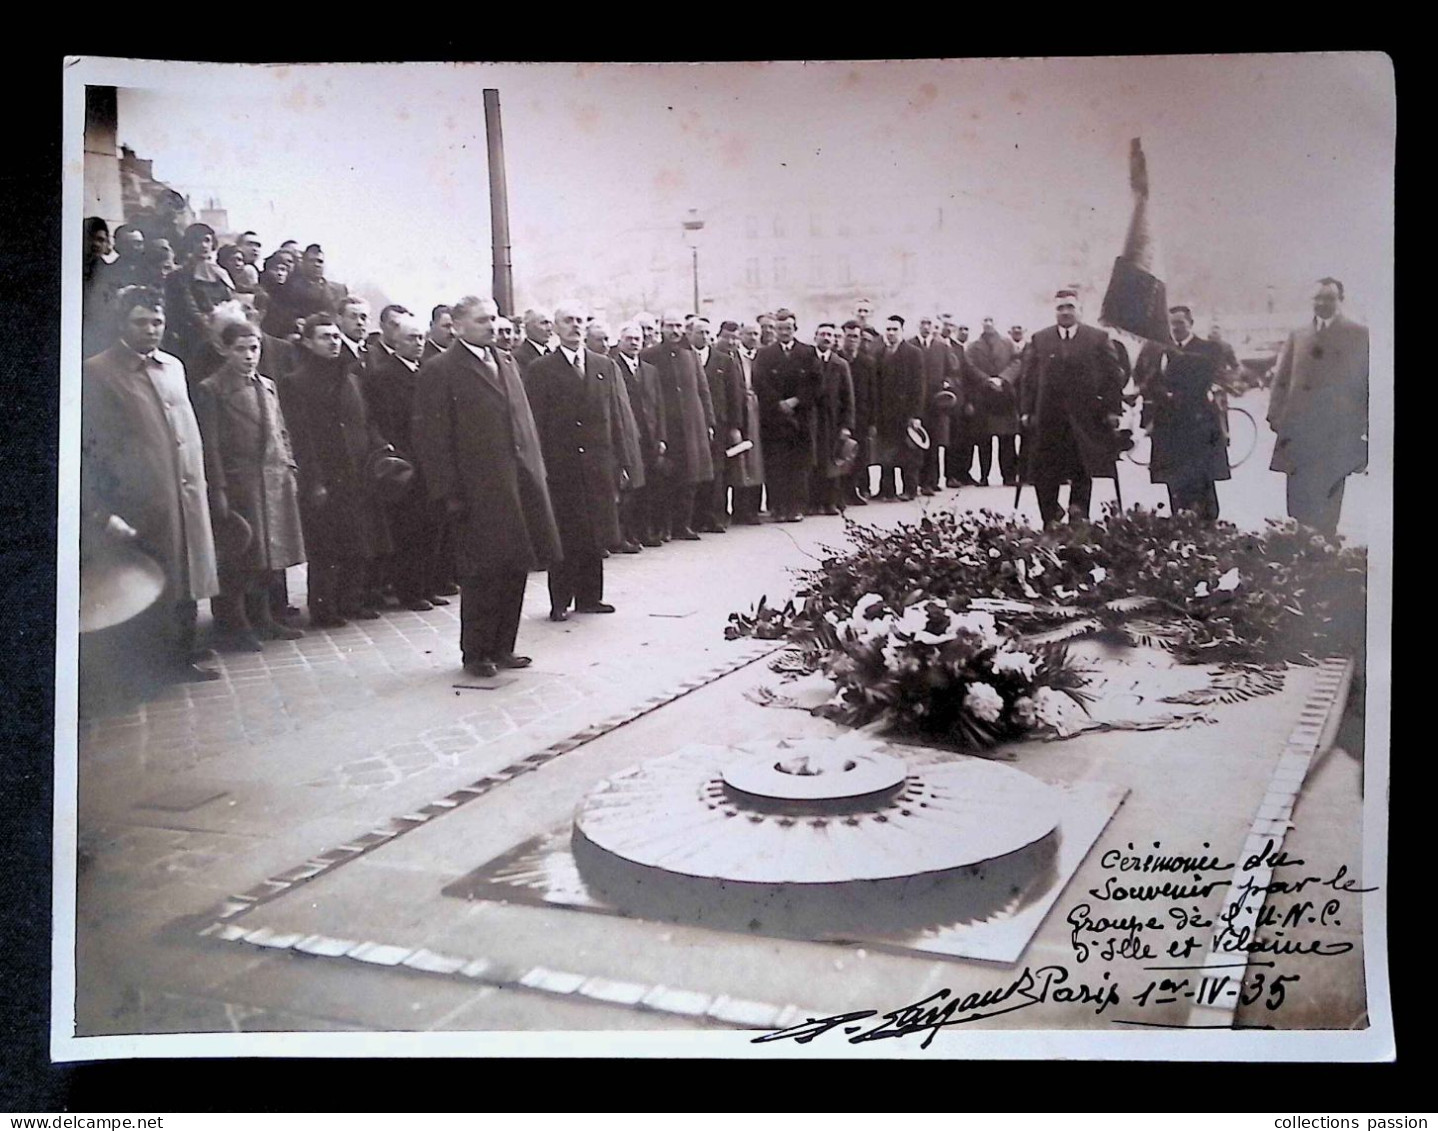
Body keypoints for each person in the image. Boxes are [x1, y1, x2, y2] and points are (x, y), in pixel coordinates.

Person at [411, 296, 561, 678]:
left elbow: (522, 423)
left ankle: (504, 647)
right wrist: (449, 492)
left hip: (518, 483)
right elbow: (432, 437)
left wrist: (535, 473)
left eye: (493, 319)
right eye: (481, 321)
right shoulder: (440, 369)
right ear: (457, 326)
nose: (491, 327)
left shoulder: (506, 361)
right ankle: (476, 652)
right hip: (477, 490)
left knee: (516, 566)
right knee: (481, 573)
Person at [81, 286, 220, 683]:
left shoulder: (173, 366)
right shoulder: (99, 371)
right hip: (141, 497)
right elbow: (95, 445)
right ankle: (152, 665)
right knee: (151, 578)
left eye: (157, 321)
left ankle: (184, 653)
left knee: (190, 573)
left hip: (187, 491)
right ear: (123, 323)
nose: (151, 329)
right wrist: (105, 506)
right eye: (141, 321)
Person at [193, 320, 307, 651]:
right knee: (241, 556)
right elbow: (210, 444)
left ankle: (264, 617)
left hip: (273, 479)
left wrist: (290, 466)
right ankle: (233, 623)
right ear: (225, 350)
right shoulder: (212, 388)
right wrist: (220, 489)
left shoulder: (267, 386)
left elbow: (281, 431)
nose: (248, 356)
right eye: (240, 349)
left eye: (253, 348)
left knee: (269, 556)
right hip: (240, 481)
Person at [279, 313, 391, 627]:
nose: (333, 342)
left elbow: (365, 420)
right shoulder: (296, 381)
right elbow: (301, 435)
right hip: (326, 474)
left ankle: (351, 601)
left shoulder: (351, 378)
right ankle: (324, 607)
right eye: (325, 337)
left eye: (335, 336)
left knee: (358, 540)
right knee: (326, 546)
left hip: (357, 471)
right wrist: (314, 480)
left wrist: (380, 447)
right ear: (308, 342)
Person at [526, 303, 633, 620]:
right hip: (562, 465)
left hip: (598, 462)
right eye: (568, 322)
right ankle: (560, 600)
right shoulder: (541, 369)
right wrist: (541, 467)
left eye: (580, 321)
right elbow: (536, 423)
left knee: (595, 531)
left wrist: (621, 460)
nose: (575, 327)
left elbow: (614, 416)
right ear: (556, 328)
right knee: (565, 533)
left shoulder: (603, 365)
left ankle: (590, 597)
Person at [1267, 277, 1369, 536]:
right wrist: (1276, 416)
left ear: (1340, 301)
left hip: (1335, 433)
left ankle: (1324, 556)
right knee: (1297, 500)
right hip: (1298, 432)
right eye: (1318, 298)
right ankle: (1297, 551)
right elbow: (1282, 377)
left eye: (1329, 298)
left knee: (1328, 501)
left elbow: (1365, 383)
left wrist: (1362, 426)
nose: (1322, 303)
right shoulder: (1298, 334)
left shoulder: (1357, 333)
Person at [1019, 290, 1125, 525]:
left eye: (1070, 307)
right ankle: (1050, 519)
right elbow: (1028, 378)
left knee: (1082, 469)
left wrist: (1113, 410)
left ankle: (1078, 519)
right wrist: (1026, 410)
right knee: (1045, 472)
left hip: (1085, 416)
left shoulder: (1097, 338)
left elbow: (1112, 377)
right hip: (1048, 417)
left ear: (1080, 310)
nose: (1065, 312)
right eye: (1060, 308)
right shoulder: (1040, 339)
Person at [1133, 305, 1231, 521]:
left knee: (1202, 482)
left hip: (1199, 426)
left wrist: (1213, 395)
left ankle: (1209, 529)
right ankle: (1181, 528)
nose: (1175, 328)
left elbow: (1219, 379)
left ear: (1191, 324)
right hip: (1167, 426)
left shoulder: (1208, 349)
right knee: (1173, 482)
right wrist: (1151, 397)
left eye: (1180, 323)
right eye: (1171, 324)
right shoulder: (1156, 349)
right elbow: (1142, 377)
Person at [641, 310, 716, 540]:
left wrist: (709, 421)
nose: (674, 331)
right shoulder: (650, 355)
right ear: (661, 328)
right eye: (669, 326)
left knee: (690, 477)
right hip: (666, 423)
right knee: (665, 478)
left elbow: (703, 389)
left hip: (692, 424)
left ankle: (683, 524)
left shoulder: (689, 354)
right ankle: (664, 526)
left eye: (678, 326)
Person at [753, 308, 820, 522]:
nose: (784, 332)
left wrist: (795, 401)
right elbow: (760, 382)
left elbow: (816, 382)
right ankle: (778, 508)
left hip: (800, 418)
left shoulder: (808, 352)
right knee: (776, 465)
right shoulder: (765, 354)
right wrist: (777, 403)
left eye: (788, 328)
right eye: (780, 328)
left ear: (795, 329)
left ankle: (796, 507)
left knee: (799, 465)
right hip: (774, 419)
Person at [612, 322, 666, 546]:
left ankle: (646, 531)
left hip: (650, 436)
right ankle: (626, 534)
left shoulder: (650, 370)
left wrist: (662, 437)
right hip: (628, 434)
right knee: (630, 488)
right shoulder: (612, 367)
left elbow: (659, 405)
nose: (634, 343)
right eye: (629, 339)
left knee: (650, 486)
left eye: (638, 339)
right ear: (620, 341)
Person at [163, 223, 236, 383]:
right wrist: (211, 332)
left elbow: (230, 301)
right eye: (197, 241)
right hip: (193, 338)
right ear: (189, 244)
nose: (203, 245)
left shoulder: (220, 274)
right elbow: (190, 308)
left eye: (207, 240)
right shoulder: (178, 276)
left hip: (224, 334)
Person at [688, 316, 743, 532]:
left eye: (706, 333)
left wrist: (735, 426)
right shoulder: (685, 358)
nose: (704, 336)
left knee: (717, 472)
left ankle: (715, 517)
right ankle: (694, 518)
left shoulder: (723, 361)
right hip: (694, 424)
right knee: (696, 471)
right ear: (690, 334)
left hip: (719, 423)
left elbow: (734, 396)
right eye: (699, 332)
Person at [873, 315, 925, 501]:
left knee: (907, 453)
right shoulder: (879, 352)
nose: (891, 333)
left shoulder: (913, 353)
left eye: (895, 329)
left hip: (905, 412)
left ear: (902, 331)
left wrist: (915, 415)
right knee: (886, 453)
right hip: (884, 413)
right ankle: (886, 489)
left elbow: (919, 386)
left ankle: (910, 489)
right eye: (888, 329)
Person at [965, 316, 1021, 486]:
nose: (988, 324)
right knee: (984, 440)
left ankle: (1009, 476)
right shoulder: (973, 347)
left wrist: (1003, 378)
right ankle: (984, 476)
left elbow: (1017, 362)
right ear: (981, 324)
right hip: (984, 396)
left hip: (1005, 396)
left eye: (991, 320)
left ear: (996, 323)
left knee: (1007, 440)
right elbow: (969, 367)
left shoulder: (1008, 343)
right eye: (985, 321)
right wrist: (987, 380)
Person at [909, 314, 959, 495]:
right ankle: (915, 482)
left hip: (936, 403)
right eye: (923, 323)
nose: (926, 326)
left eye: (929, 323)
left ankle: (931, 481)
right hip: (916, 401)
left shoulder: (942, 347)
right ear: (918, 325)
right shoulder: (910, 345)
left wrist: (947, 382)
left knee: (935, 443)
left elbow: (953, 371)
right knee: (915, 443)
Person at [812, 322, 856, 515]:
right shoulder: (807, 360)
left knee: (832, 461)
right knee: (813, 460)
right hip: (811, 419)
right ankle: (813, 502)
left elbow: (848, 398)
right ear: (816, 337)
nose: (826, 338)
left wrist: (847, 425)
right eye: (822, 334)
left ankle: (830, 501)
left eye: (830, 335)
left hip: (833, 420)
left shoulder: (840, 364)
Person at [729, 322, 766, 524]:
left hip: (759, 412)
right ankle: (739, 509)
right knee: (741, 462)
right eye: (749, 334)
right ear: (741, 335)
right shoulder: (732, 357)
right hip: (742, 410)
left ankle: (754, 507)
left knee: (757, 462)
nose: (753, 337)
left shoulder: (762, 356)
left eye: (756, 334)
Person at [839, 320, 878, 505]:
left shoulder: (868, 362)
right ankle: (838, 492)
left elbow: (874, 393)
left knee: (859, 455)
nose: (852, 340)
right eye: (849, 336)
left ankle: (853, 489)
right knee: (840, 454)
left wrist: (872, 422)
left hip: (861, 416)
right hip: (840, 416)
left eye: (856, 337)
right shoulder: (836, 359)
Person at [514, 308, 554, 373]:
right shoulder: (518, 357)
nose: (549, 328)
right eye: (544, 323)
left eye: (551, 323)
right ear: (528, 326)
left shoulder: (552, 354)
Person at [335, 296, 371, 364]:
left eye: (363, 318)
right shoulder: (334, 352)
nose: (360, 322)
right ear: (339, 319)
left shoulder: (372, 353)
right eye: (353, 317)